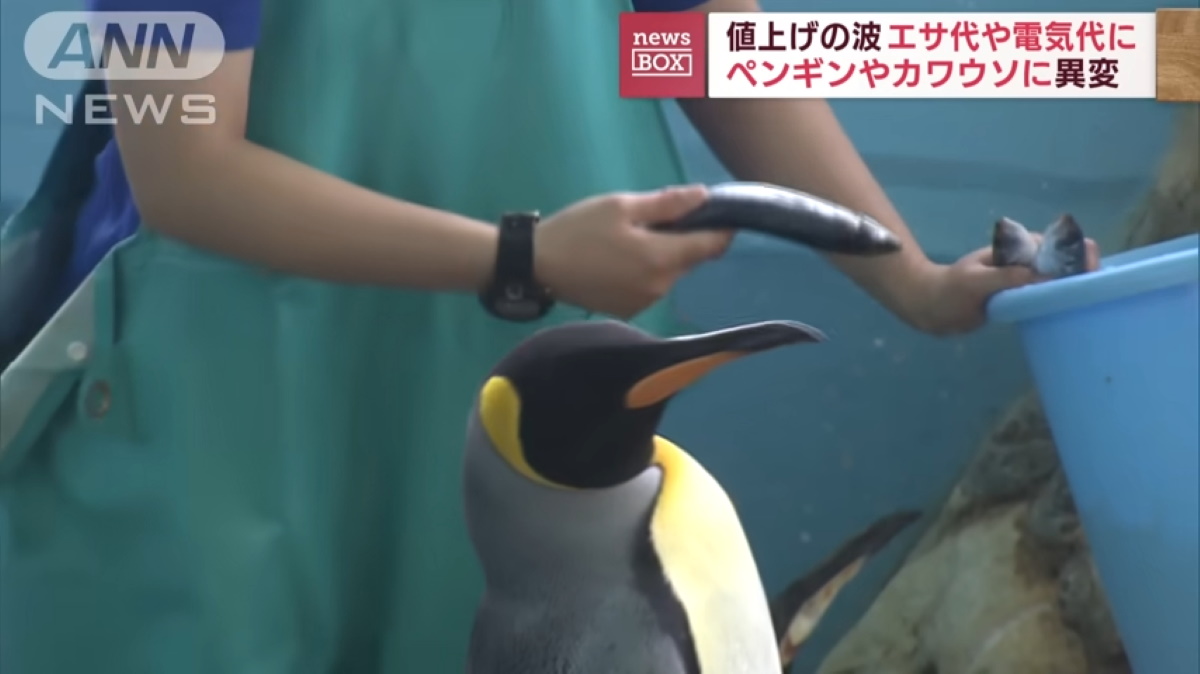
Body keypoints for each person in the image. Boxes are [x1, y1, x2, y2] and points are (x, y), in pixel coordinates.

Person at [0, 0, 1099, 672]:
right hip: (233, 401)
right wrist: (521, 255)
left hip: (538, 426)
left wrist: (907, 275)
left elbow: (693, 46)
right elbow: (185, 167)